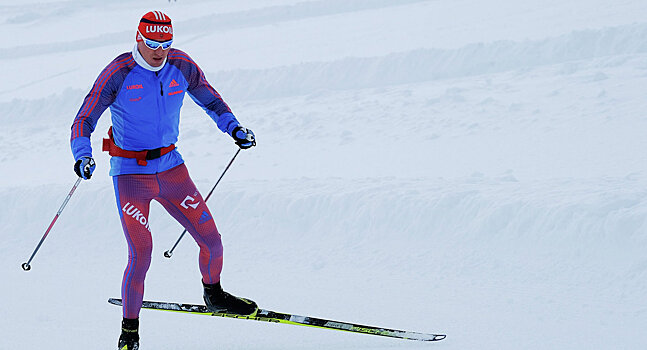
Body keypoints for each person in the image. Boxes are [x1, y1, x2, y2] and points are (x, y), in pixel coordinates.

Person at [70, 11, 257, 350]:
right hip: (130, 175)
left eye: (166, 44)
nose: (159, 52)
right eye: (153, 43)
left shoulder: (181, 65)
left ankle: (213, 294)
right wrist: (82, 155)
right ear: (139, 39)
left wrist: (235, 128)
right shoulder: (119, 71)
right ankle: (130, 330)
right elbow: (84, 118)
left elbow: (211, 100)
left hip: (172, 170)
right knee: (142, 253)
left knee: (212, 241)